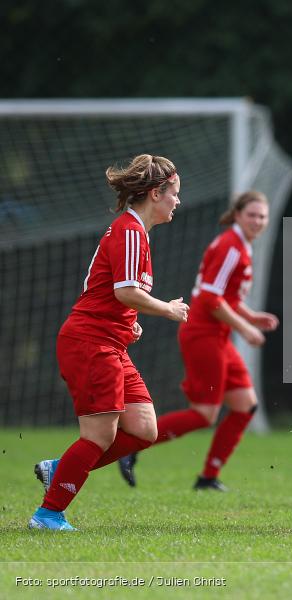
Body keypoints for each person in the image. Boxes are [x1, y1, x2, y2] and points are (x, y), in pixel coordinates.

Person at [29, 154, 189, 530]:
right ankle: (48, 515)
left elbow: (113, 294)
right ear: (155, 193)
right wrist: (167, 309)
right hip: (90, 342)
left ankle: (61, 469)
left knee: (145, 428)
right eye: (174, 193)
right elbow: (126, 292)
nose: (178, 200)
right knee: (101, 435)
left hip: (109, 342)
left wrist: (128, 323)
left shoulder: (136, 233)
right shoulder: (130, 231)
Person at [116, 191, 279, 491]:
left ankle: (208, 477)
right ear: (237, 214)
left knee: (245, 406)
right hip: (203, 335)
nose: (257, 221)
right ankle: (131, 444)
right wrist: (244, 328)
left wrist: (251, 316)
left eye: (262, 216)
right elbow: (209, 298)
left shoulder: (239, 245)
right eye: (252, 215)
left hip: (218, 336)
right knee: (204, 414)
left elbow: (224, 296)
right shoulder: (231, 246)